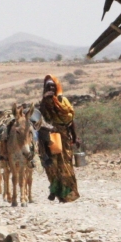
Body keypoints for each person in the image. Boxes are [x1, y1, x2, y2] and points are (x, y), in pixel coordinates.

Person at [37, 75, 80, 203]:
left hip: (65, 136)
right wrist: (45, 102)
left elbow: (70, 120)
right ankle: (55, 191)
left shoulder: (63, 101)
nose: (51, 88)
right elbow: (41, 119)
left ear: (57, 87)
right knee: (52, 165)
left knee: (66, 165)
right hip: (50, 137)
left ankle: (68, 194)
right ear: (44, 89)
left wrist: (75, 136)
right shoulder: (43, 103)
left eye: (53, 86)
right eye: (48, 86)